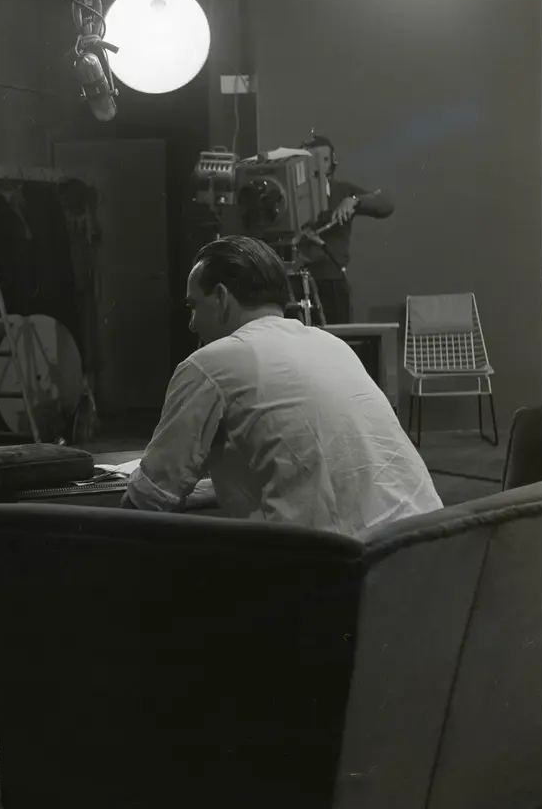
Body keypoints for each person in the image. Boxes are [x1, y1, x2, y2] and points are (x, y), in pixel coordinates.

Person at [123, 236, 442, 534]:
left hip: (337, 562)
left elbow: (148, 499)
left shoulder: (208, 365)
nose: (192, 323)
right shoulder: (331, 345)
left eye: (194, 306)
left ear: (221, 297)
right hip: (424, 547)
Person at [297, 133, 394, 325]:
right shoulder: (290, 192)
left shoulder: (342, 191)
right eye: (311, 159)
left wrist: (354, 200)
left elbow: (385, 205)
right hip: (295, 280)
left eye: (324, 159)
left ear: (332, 163)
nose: (317, 165)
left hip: (331, 281)